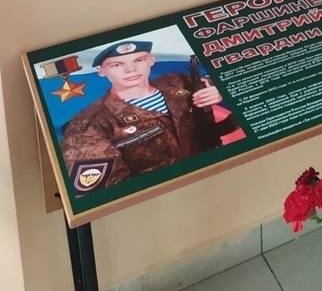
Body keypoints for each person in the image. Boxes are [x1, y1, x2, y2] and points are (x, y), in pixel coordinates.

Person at [61, 40, 229, 192]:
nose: (131, 69)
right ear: (101, 71)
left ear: (151, 60)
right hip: (168, 195)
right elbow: (108, 191)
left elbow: (218, 79)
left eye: (139, 60)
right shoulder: (89, 125)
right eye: (117, 65)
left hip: (218, 174)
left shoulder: (179, 82)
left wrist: (220, 90)